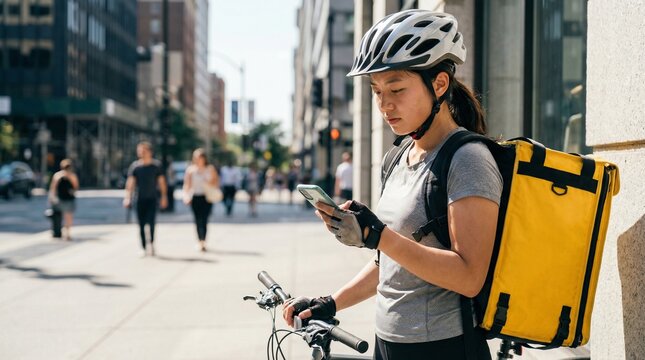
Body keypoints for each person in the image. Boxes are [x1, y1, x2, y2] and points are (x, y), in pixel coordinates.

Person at [283, 10, 502, 360]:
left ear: (440, 84)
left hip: (442, 348)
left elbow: (469, 276)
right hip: (388, 342)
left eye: (396, 89)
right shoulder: (398, 157)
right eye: (376, 90)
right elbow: (393, 263)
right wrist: (331, 302)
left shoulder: (467, 159)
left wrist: (377, 235)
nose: (384, 104)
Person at [123, 141, 168, 257]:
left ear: (150, 152)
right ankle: (143, 247)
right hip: (139, 199)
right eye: (140, 151)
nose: (141, 153)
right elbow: (130, 183)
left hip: (152, 199)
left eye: (143, 151)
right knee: (141, 224)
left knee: (151, 223)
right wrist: (127, 197)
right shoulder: (135, 167)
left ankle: (151, 244)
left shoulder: (156, 166)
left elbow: (162, 182)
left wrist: (164, 197)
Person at [182, 148, 219, 252]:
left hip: (207, 197)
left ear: (204, 158)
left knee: (205, 219)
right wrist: (186, 196)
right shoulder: (191, 170)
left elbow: (216, 182)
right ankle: (200, 241)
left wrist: (208, 181)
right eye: (196, 157)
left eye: (200, 157)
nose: (198, 159)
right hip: (195, 197)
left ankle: (204, 240)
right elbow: (187, 185)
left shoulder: (210, 169)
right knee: (197, 219)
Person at [48, 159, 79, 241]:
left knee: (62, 217)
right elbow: (76, 187)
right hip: (66, 199)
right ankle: (66, 233)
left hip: (61, 199)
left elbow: (53, 188)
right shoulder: (66, 176)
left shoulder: (58, 175)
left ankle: (64, 233)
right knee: (68, 217)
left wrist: (51, 198)